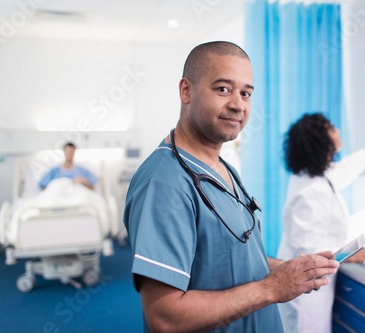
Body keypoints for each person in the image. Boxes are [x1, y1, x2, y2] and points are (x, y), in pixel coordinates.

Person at [123, 42, 339, 333]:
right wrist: (272, 289)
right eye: (223, 89)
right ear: (186, 90)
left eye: (246, 93)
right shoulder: (164, 184)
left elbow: (235, 256)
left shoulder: (224, 169)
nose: (238, 104)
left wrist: (290, 270)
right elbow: (165, 317)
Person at [277, 113, 365, 333]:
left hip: (313, 286)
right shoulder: (311, 192)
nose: (338, 131)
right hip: (305, 295)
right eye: (332, 128)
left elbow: (345, 169)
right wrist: (354, 254)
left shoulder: (313, 176)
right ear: (321, 140)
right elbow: (308, 252)